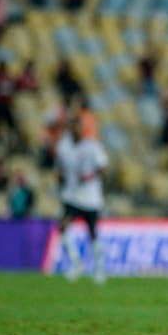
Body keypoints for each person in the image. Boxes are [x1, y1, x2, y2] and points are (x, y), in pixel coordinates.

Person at [55, 116, 109, 283]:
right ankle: (76, 263)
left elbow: (103, 166)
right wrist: (60, 179)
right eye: (73, 127)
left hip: (91, 197)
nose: (76, 131)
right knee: (63, 228)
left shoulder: (92, 146)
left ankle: (99, 269)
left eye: (78, 127)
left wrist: (89, 176)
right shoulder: (63, 146)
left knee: (92, 233)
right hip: (71, 196)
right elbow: (60, 168)